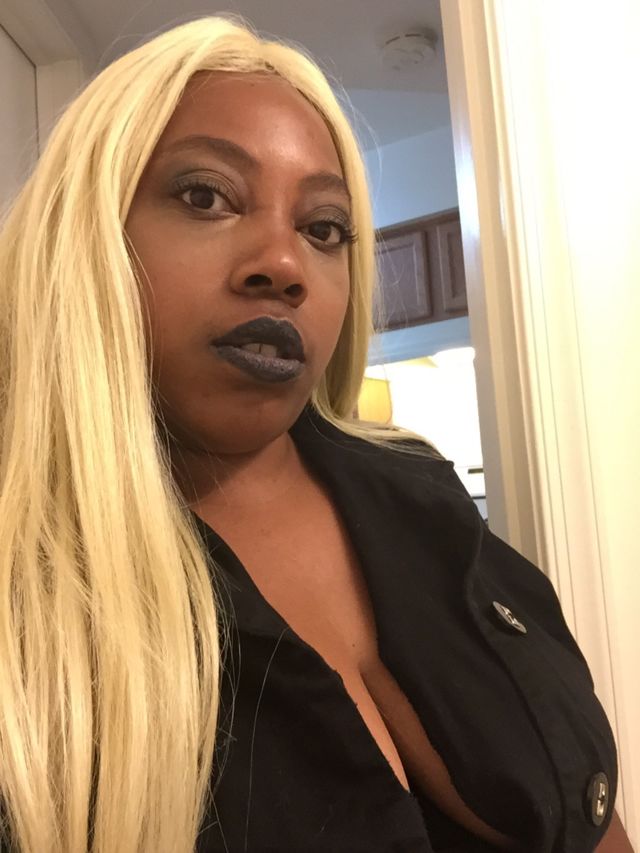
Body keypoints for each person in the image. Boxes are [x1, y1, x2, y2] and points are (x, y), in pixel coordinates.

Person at [0, 14, 633, 853]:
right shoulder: (28, 607)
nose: (285, 264)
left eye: (323, 228)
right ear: (86, 236)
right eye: (206, 196)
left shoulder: (422, 493)